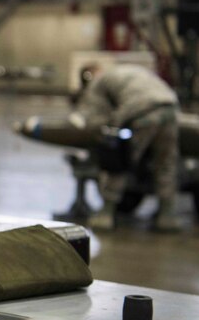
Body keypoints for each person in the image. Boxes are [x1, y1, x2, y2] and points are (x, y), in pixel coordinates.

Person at [72, 63, 181, 232]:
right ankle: (166, 216)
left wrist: (107, 132)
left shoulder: (98, 83)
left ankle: (106, 214)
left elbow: (96, 119)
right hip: (170, 108)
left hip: (141, 112)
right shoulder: (127, 71)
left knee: (119, 157)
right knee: (166, 163)